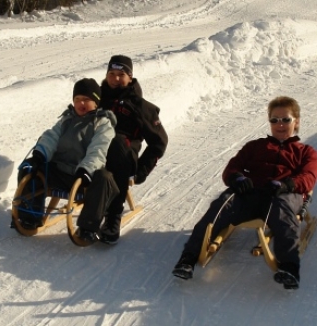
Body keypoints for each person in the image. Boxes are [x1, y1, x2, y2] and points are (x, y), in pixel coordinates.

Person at [172, 96, 317, 290]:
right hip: (251, 194)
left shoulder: (305, 151)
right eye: (274, 120)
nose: (280, 124)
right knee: (224, 202)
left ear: (296, 121)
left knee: (283, 210)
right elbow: (232, 168)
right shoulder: (255, 146)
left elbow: (309, 176)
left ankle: (289, 267)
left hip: (282, 194)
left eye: (286, 119)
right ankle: (188, 258)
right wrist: (237, 179)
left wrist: (288, 184)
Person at [16, 78, 119, 244]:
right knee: (29, 167)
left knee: (104, 178)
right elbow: (51, 137)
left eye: (86, 99)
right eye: (77, 99)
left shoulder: (103, 123)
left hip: (85, 177)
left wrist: (86, 169)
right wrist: (39, 156)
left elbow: (98, 149)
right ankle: (29, 217)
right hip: (60, 172)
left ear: (96, 102)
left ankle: (88, 228)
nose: (81, 103)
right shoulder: (66, 120)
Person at [97, 55, 168, 244]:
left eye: (121, 74)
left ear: (130, 77)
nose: (116, 79)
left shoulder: (139, 106)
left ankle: (113, 215)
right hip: (94, 152)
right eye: (112, 74)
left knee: (116, 143)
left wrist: (142, 169)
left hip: (123, 156)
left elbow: (159, 141)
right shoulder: (97, 98)